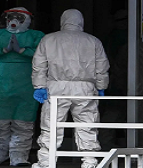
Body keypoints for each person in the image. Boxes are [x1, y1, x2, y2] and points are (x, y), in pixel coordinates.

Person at [31, 9, 110, 168]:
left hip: (56, 86)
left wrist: (39, 86)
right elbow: (101, 67)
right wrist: (101, 86)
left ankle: (46, 162)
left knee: (51, 124)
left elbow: (39, 66)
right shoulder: (93, 41)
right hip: (85, 88)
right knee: (87, 123)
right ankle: (89, 160)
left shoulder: (49, 39)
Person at [0, 7, 45, 166]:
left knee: (23, 119)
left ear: (28, 20)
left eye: (19, 18)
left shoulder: (36, 36)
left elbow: (45, 53)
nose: (14, 21)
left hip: (25, 82)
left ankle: (19, 155)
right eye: (11, 17)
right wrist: (3, 50)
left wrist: (22, 51)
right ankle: (0, 151)